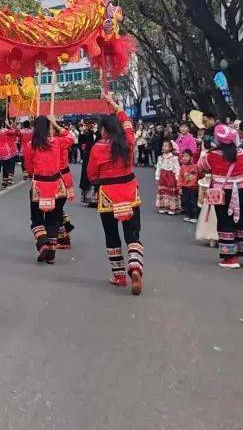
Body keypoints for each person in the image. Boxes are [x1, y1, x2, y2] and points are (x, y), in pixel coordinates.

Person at [87, 96, 143, 293]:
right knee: (133, 233)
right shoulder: (128, 141)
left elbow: (92, 175)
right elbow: (127, 122)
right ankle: (135, 266)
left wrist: (97, 181)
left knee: (111, 235)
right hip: (129, 191)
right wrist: (115, 105)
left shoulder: (98, 147)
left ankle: (119, 276)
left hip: (108, 195)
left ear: (104, 130)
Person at [199, 124, 243, 269]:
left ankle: (231, 258)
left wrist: (204, 152)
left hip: (222, 192)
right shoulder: (241, 152)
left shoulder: (212, 155)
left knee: (225, 221)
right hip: (242, 190)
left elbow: (201, 167)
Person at [24, 115, 76, 265]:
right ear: (49, 127)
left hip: (39, 185)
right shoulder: (57, 142)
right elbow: (71, 138)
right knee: (54, 220)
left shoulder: (30, 145)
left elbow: (28, 167)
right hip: (56, 185)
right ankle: (51, 254)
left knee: (36, 219)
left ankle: (43, 243)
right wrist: (57, 125)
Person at [154, 139, 180, 215]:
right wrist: (157, 176)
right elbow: (158, 167)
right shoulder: (160, 157)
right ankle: (164, 206)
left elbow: (177, 168)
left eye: (166, 146)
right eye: (163, 145)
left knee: (170, 192)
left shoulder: (174, 158)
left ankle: (172, 208)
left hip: (170, 176)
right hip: (163, 176)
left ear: (170, 148)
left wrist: (177, 178)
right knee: (163, 191)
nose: (164, 147)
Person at [0, 120, 17, 190]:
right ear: (2, 124)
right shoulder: (6, 130)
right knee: (6, 168)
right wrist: (9, 125)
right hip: (6, 151)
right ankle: (4, 184)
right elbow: (14, 131)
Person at [178, 149, 200, 222]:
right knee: (186, 202)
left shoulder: (195, 166)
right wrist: (179, 187)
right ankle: (188, 215)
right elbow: (180, 178)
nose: (184, 158)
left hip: (193, 187)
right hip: (185, 187)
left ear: (191, 157)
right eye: (183, 156)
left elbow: (200, 175)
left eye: (186, 156)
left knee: (193, 202)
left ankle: (195, 216)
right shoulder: (182, 167)